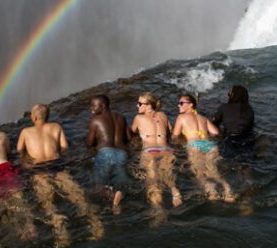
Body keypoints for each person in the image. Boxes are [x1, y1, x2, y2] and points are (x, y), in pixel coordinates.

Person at [17, 104, 102, 245]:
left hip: (38, 168)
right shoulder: (56, 127)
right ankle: (95, 222)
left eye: (31, 113)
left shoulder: (25, 132)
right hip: (57, 164)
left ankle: (60, 227)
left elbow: (20, 151)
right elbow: (64, 147)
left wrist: (26, 164)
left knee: (47, 201)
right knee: (77, 194)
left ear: (35, 116)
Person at [172, 94, 235, 202]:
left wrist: (178, 143)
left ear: (190, 105)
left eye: (181, 103)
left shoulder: (181, 117)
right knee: (213, 171)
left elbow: (175, 135)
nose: (179, 105)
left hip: (195, 145)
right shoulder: (203, 118)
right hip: (210, 146)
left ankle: (212, 192)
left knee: (199, 173)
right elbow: (215, 132)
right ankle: (227, 188)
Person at [130, 92, 181, 223]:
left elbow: (132, 133)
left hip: (149, 151)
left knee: (153, 182)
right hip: (165, 150)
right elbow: (170, 131)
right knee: (167, 176)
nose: (137, 106)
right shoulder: (163, 115)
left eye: (140, 103)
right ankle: (175, 192)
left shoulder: (138, 118)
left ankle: (158, 210)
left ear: (148, 105)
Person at [85, 94, 130, 214]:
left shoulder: (95, 120)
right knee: (119, 179)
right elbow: (129, 137)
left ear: (103, 106)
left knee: (97, 188)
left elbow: (89, 143)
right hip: (122, 153)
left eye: (94, 106)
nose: (92, 109)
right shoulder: (121, 117)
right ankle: (118, 194)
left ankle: (112, 195)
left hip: (105, 153)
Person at [211, 85, 255, 157]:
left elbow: (214, 125)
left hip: (230, 140)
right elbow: (250, 128)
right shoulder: (250, 110)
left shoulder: (224, 107)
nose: (227, 97)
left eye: (229, 94)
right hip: (246, 139)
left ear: (233, 96)